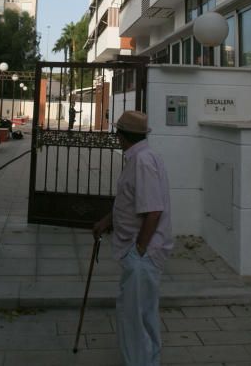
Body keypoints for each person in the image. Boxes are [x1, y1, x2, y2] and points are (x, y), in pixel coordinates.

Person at [93, 110, 173, 366]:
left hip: (144, 253)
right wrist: (107, 222)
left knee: (133, 317)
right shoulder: (141, 157)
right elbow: (130, 202)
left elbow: (154, 210)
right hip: (142, 252)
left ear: (121, 136)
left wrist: (138, 250)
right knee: (143, 314)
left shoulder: (142, 161)